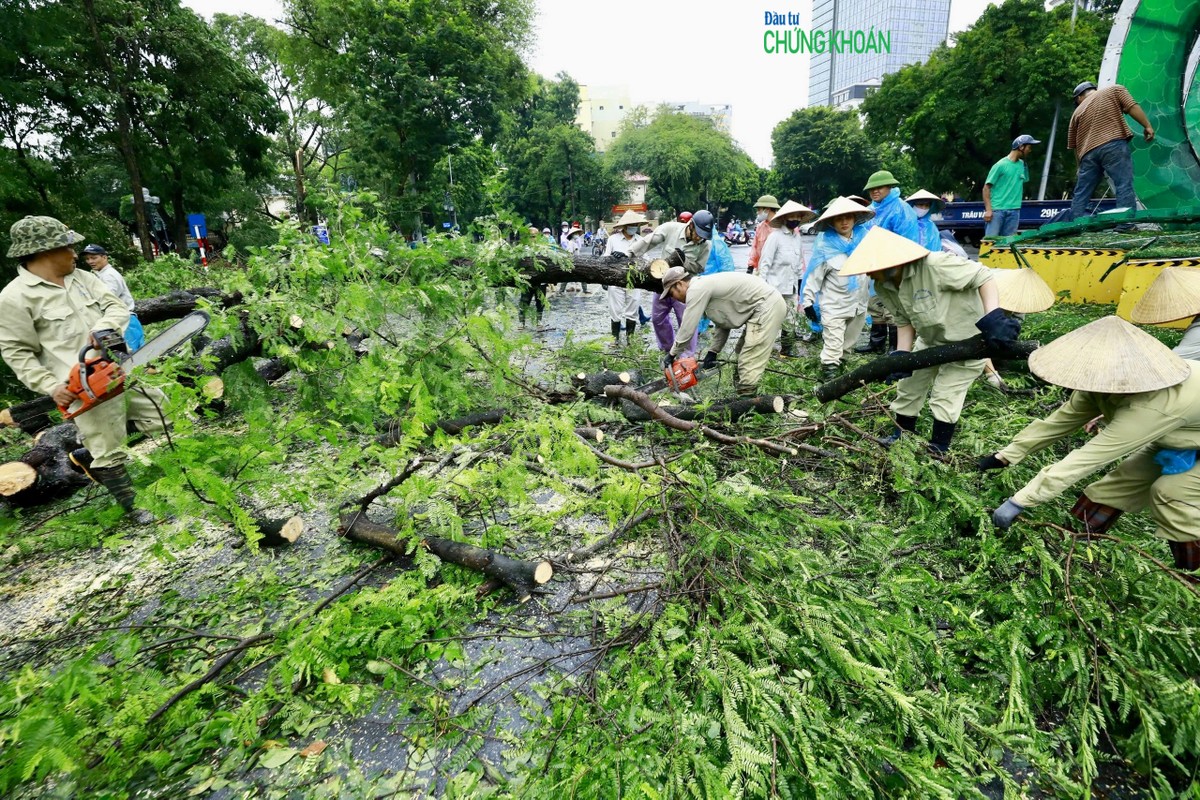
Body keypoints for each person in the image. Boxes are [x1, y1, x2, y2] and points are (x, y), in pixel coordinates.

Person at [982, 316, 1200, 573]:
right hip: (1184, 432)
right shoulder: (1099, 384)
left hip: (1177, 422)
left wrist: (1019, 501)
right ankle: (1072, 548)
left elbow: (1086, 459)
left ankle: (1191, 577)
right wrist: (1004, 456)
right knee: (1111, 488)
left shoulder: (1152, 408)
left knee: (1172, 494)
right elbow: (1057, 423)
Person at [0, 216, 165, 522]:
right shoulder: (15, 297)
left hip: (118, 369)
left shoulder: (83, 279)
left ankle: (187, 472)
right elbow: (16, 350)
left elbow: (116, 307)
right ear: (45, 252)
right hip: (82, 387)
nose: (74, 254)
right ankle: (133, 508)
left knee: (165, 413)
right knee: (106, 448)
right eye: (68, 247)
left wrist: (103, 328)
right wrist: (50, 386)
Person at [839, 226, 1019, 454]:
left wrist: (993, 316)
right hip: (930, 341)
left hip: (968, 343)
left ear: (889, 263)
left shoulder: (936, 265)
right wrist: (902, 357)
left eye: (871, 269)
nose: (868, 274)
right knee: (909, 386)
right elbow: (903, 321)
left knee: (946, 394)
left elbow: (983, 275)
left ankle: (938, 447)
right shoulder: (883, 285)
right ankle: (902, 436)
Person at [660, 267, 786, 396]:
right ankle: (740, 391)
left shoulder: (696, 289)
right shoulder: (704, 286)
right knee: (740, 351)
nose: (673, 298)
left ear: (679, 284)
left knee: (749, 357)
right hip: (763, 306)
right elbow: (724, 321)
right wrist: (713, 351)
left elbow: (687, 328)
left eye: (671, 293)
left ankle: (746, 403)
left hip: (767, 305)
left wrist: (672, 354)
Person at [802, 197, 874, 380]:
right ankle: (828, 382)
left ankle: (843, 380)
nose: (844, 222)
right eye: (839, 218)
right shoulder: (825, 246)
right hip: (834, 306)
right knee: (833, 347)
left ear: (854, 218)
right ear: (832, 222)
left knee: (847, 345)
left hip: (858, 304)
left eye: (848, 217)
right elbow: (813, 276)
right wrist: (808, 302)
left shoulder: (864, 240)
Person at [629, 210, 714, 357]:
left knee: (686, 321)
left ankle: (687, 356)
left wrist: (684, 261)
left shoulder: (706, 245)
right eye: (698, 234)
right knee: (658, 318)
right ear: (691, 225)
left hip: (684, 286)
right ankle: (668, 351)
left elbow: (699, 268)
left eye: (703, 236)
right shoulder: (670, 228)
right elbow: (648, 241)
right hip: (663, 282)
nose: (699, 238)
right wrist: (628, 253)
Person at [1067, 81, 1154, 223]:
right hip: (1113, 145)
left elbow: (1075, 146)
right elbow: (1131, 106)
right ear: (1093, 89)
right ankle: (1125, 225)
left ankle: (1074, 226)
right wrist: (1147, 125)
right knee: (1123, 184)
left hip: (1087, 155)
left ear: (1079, 98)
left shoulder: (1076, 114)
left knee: (1081, 193)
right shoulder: (1113, 90)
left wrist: (1079, 167)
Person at [756, 200, 815, 358]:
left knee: (790, 320)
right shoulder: (775, 237)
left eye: (798, 217)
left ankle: (786, 350)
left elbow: (798, 265)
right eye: (792, 216)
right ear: (784, 218)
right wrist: (762, 287)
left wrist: (801, 283)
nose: (794, 219)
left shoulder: (797, 238)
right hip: (774, 288)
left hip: (791, 287)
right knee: (770, 320)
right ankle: (761, 350)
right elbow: (765, 264)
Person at [82, 244, 144, 351]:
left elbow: (108, 300)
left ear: (104, 257)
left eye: (94, 258)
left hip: (125, 321)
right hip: (121, 321)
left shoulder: (109, 276)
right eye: (87, 259)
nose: (90, 261)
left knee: (134, 356)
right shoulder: (100, 274)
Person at [603, 210, 649, 345]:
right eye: (631, 224)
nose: (633, 227)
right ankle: (615, 339)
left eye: (636, 224)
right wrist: (604, 279)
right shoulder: (613, 240)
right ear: (624, 226)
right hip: (615, 280)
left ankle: (630, 339)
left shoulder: (641, 241)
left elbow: (646, 261)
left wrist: (629, 257)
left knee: (632, 311)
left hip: (633, 281)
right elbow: (605, 259)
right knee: (615, 311)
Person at [983, 135, 1039, 238]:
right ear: (1021, 147)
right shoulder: (1000, 165)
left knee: (1007, 245)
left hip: (1014, 211)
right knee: (990, 242)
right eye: (1029, 147)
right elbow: (986, 188)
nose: (1030, 150)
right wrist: (989, 210)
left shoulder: (1022, 165)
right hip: (997, 211)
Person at [746, 194, 780, 275]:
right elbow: (754, 247)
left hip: (778, 272)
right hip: (762, 270)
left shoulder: (783, 226)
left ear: (767, 210)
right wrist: (750, 266)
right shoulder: (760, 227)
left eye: (759, 209)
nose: (757, 212)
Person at [558, 223, 588, 293]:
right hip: (573, 262)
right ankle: (561, 290)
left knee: (581, 276)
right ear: (572, 235)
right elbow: (570, 254)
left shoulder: (574, 243)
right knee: (567, 277)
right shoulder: (571, 243)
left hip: (576, 262)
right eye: (576, 234)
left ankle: (585, 290)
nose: (577, 235)